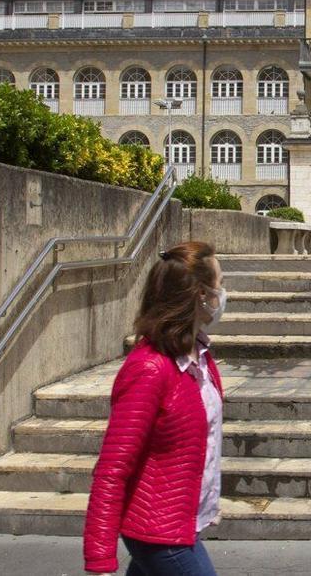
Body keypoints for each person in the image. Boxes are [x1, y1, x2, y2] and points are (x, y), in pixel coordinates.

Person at [83, 241, 227, 576]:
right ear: (201, 295)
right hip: (159, 530)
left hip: (179, 520)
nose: (223, 294)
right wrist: (100, 559)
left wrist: (204, 499)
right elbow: (112, 468)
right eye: (220, 285)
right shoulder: (149, 369)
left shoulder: (200, 357)